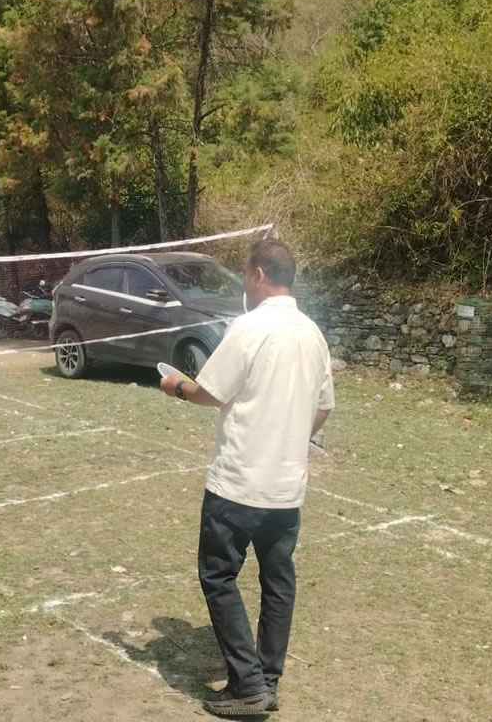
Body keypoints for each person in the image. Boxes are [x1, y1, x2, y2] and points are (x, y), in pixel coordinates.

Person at [160, 239, 334, 718]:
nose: (244, 283)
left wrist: (176, 386)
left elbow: (210, 391)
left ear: (258, 275)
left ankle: (250, 684)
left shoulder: (250, 327)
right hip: (286, 486)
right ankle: (266, 679)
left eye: (244, 275)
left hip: (238, 484)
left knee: (218, 575)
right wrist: (292, 438)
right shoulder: (312, 334)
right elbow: (323, 406)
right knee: (278, 581)